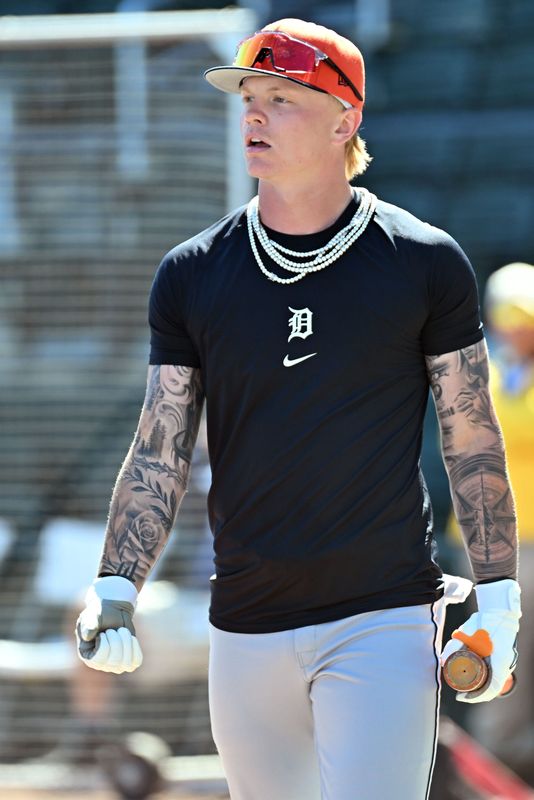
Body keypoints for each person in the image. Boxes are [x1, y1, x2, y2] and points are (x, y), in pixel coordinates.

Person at [75, 19, 521, 800]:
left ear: (345, 119)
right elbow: (161, 444)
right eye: (249, 97)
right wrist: (114, 587)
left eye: (282, 97)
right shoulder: (190, 274)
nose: (254, 114)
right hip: (243, 622)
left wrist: (501, 599)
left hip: (381, 617)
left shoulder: (423, 262)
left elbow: (471, 439)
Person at [448, 262, 534, 781]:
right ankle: (491, 769)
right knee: (496, 650)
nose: (516, 328)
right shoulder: (482, 373)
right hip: (488, 540)